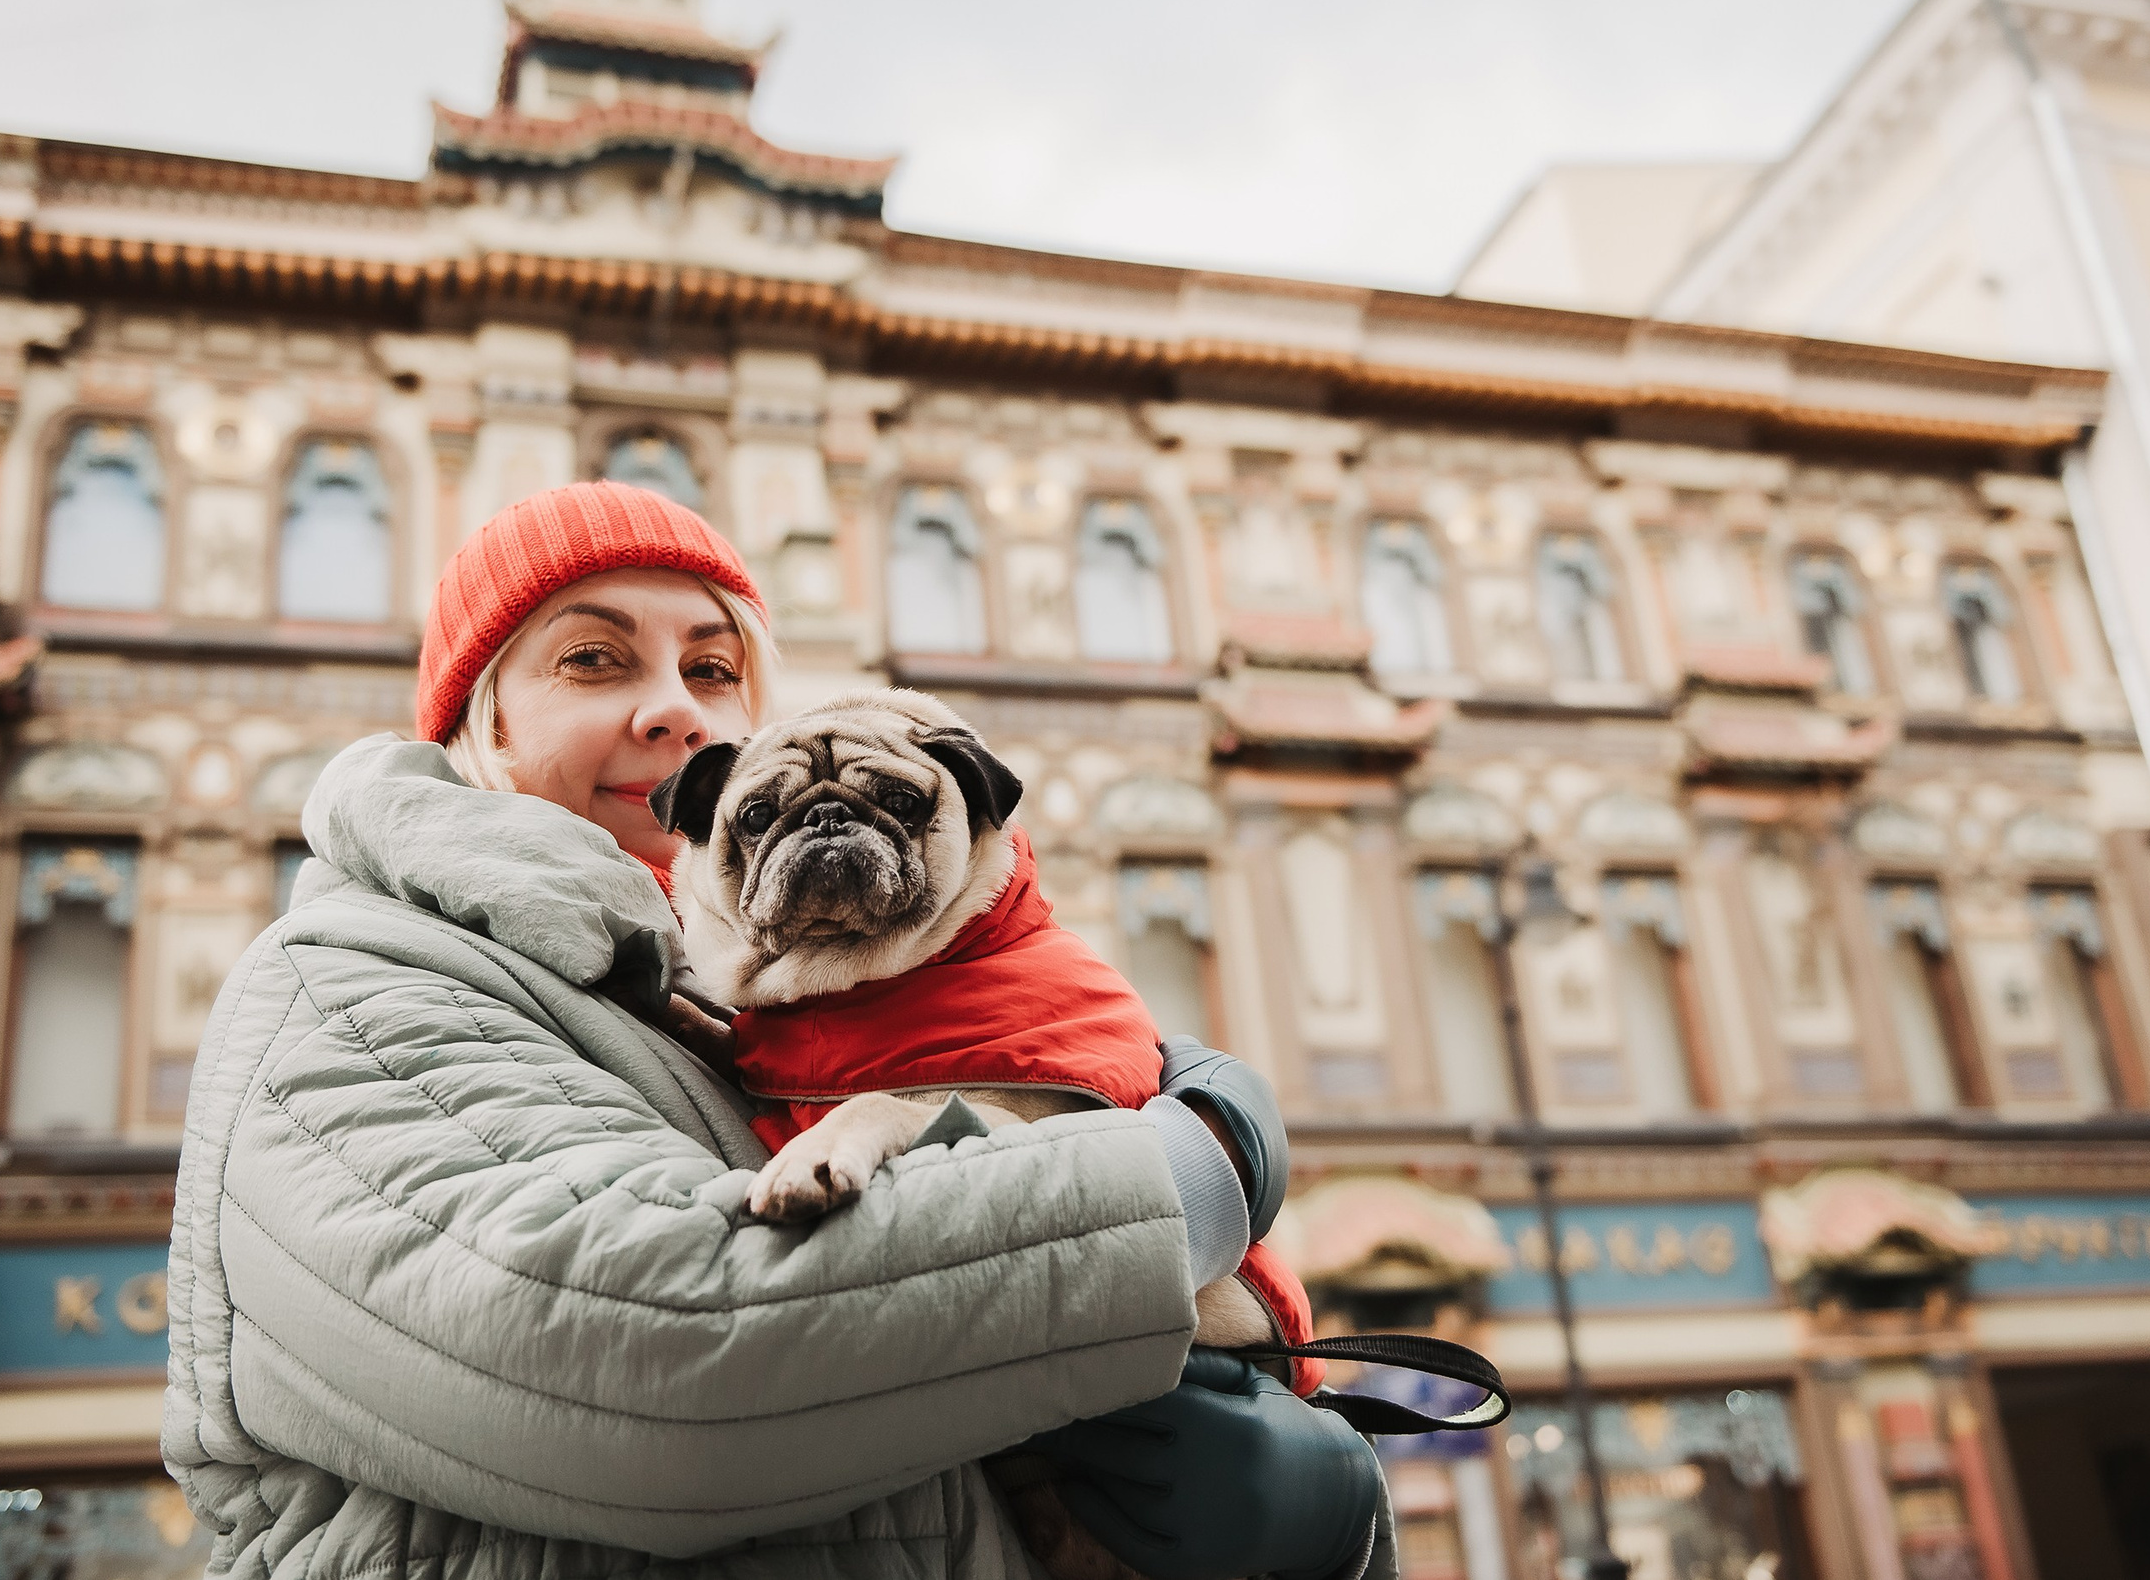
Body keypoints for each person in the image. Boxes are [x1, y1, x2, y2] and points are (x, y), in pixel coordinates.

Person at [163, 480, 1388, 1580]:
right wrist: (1181, 1177)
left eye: (711, 670)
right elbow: (654, 1364)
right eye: (592, 661)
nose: (673, 711)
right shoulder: (344, 982)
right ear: (476, 718)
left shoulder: (705, 999)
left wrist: (1323, 1522)